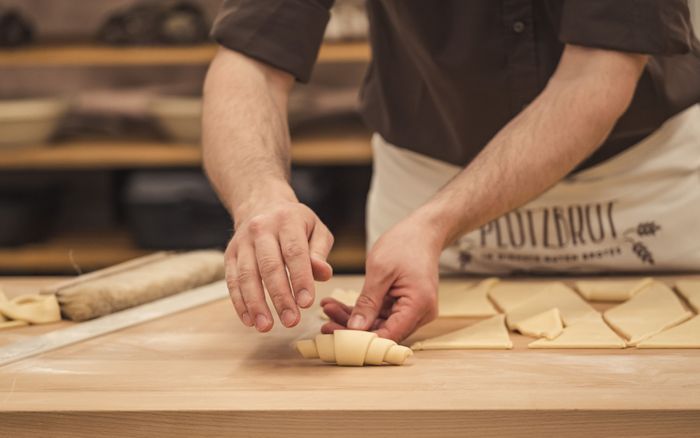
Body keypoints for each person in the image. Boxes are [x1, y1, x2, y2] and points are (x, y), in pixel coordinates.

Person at [202, 1, 700, 342]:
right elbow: (250, 62)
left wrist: (436, 224)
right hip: (424, 187)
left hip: (639, 182)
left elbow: (597, 73)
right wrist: (261, 196)